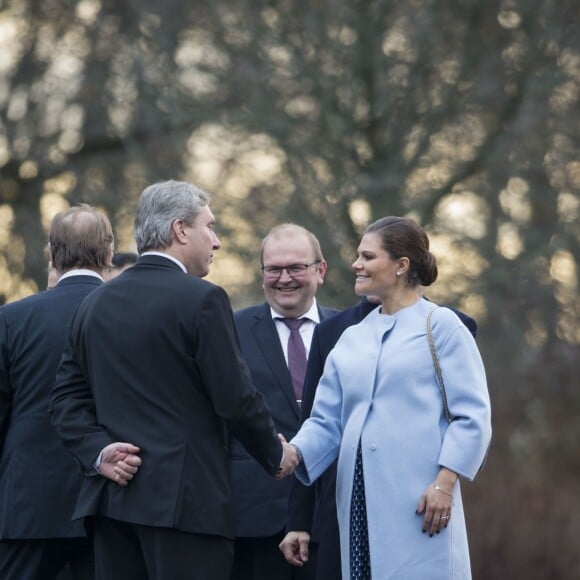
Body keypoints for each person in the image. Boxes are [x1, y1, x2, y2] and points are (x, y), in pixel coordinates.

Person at [48, 180, 298, 580]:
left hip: (112, 505)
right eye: (209, 227)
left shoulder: (92, 304)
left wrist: (98, 451)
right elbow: (234, 397)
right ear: (181, 230)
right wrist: (275, 453)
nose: (215, 241)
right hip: (186, 508)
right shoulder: (202, 299)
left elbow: (64, 401)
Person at [289, 216, 492, 579]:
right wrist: (291, 453)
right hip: (357, 502)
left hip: (422, 503)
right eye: (357, 256)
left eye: (367, 256)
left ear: (401, 266)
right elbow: (325, 422)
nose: (356, 264)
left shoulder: (442, 326)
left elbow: (472, 416)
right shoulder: (352, 338)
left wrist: (444, 485)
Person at [0, 204, 115, 580]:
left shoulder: (13, 319)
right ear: (110, 251)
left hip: (27, 503)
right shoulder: (128, 314)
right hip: (109, 501)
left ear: (53, 251)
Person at [229, 224, 338, 580]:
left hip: (332, 513)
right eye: (273, 269)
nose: (284, 279)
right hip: (255, 518)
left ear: (320, 271)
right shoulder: (230, 329)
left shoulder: (350, 331)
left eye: (296, 268)